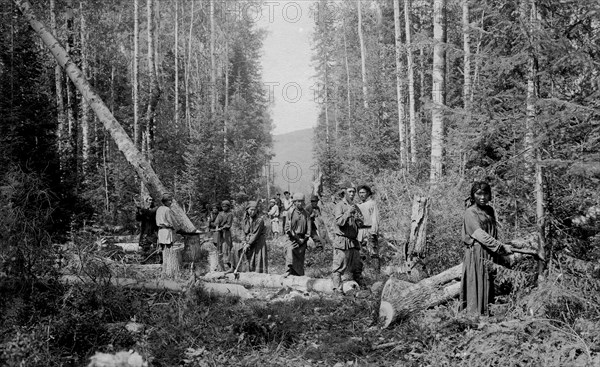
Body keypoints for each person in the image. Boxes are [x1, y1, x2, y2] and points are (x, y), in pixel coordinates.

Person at [460, 181, 513, 315]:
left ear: (489, 195)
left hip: (490, 253)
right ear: (473, 195)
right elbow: (480, 235)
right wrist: (500, 247)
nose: (482, 197)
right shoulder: (470, 212)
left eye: (485, 193)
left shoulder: (489, 210)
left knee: (488, 282)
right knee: (476, 283)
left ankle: (487, 315)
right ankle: (474, 317)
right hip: (476, 253)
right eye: (478, 194)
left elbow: (492, 232)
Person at [331, 181, 364, 292]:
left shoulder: (355, 207)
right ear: (344, 192)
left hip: (353, 242)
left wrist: (359, 221)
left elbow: (361, 222)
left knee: (357, 267)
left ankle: (359, 289)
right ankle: (336, 290)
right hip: (342, 241)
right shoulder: (340, 206)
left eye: (354, 192)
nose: (352, 194)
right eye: (350, 191)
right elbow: (339, 222)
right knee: (339, 267)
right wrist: (348, 213)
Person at [283, 192, 311, 277]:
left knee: (299, 260)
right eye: (298, 201)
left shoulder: (306, 214)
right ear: (294, 202)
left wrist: (304, 239)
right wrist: (295, 238)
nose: (300, 203)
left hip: (302, 240)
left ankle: (298, 276)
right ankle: (288, 272)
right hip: (292, 239)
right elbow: (287, 228)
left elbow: (309, 229)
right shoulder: (290, 213)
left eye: (302, 201)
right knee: (290, 252)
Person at [242, 201, 268, 273]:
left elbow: (256, 234)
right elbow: (243, 232)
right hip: (249, 242)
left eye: (254, 210)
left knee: (258, 260)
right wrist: (244, 242)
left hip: (259, 242)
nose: (252, 212)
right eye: (251, 210)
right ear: (247, 210)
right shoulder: (245, 220)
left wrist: (248, 244)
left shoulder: (259, 220)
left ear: (257, 211)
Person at [357, 185, 380, 259]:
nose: (361, 194)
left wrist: (373, 232)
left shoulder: (372, 203)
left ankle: (374, 269)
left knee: (372, 253)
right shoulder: (357, 205)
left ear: (368, 193)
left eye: (363, 192)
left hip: (369, 230)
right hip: (359, 232)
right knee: (361, 254)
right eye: (360, 193)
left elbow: (375, 218)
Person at [215, 200, 234, 271]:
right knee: (219, 248)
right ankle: (220, 266)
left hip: (226, 233)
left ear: (228, 207)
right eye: (223, 206)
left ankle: (228, 266)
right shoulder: (220, 214)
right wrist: (217, 227)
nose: (224, 208)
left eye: (225, 206)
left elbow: (228, 224)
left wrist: (222, 228)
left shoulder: (230, 214)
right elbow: (217, 222)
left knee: (226, 248)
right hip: (220, 233)